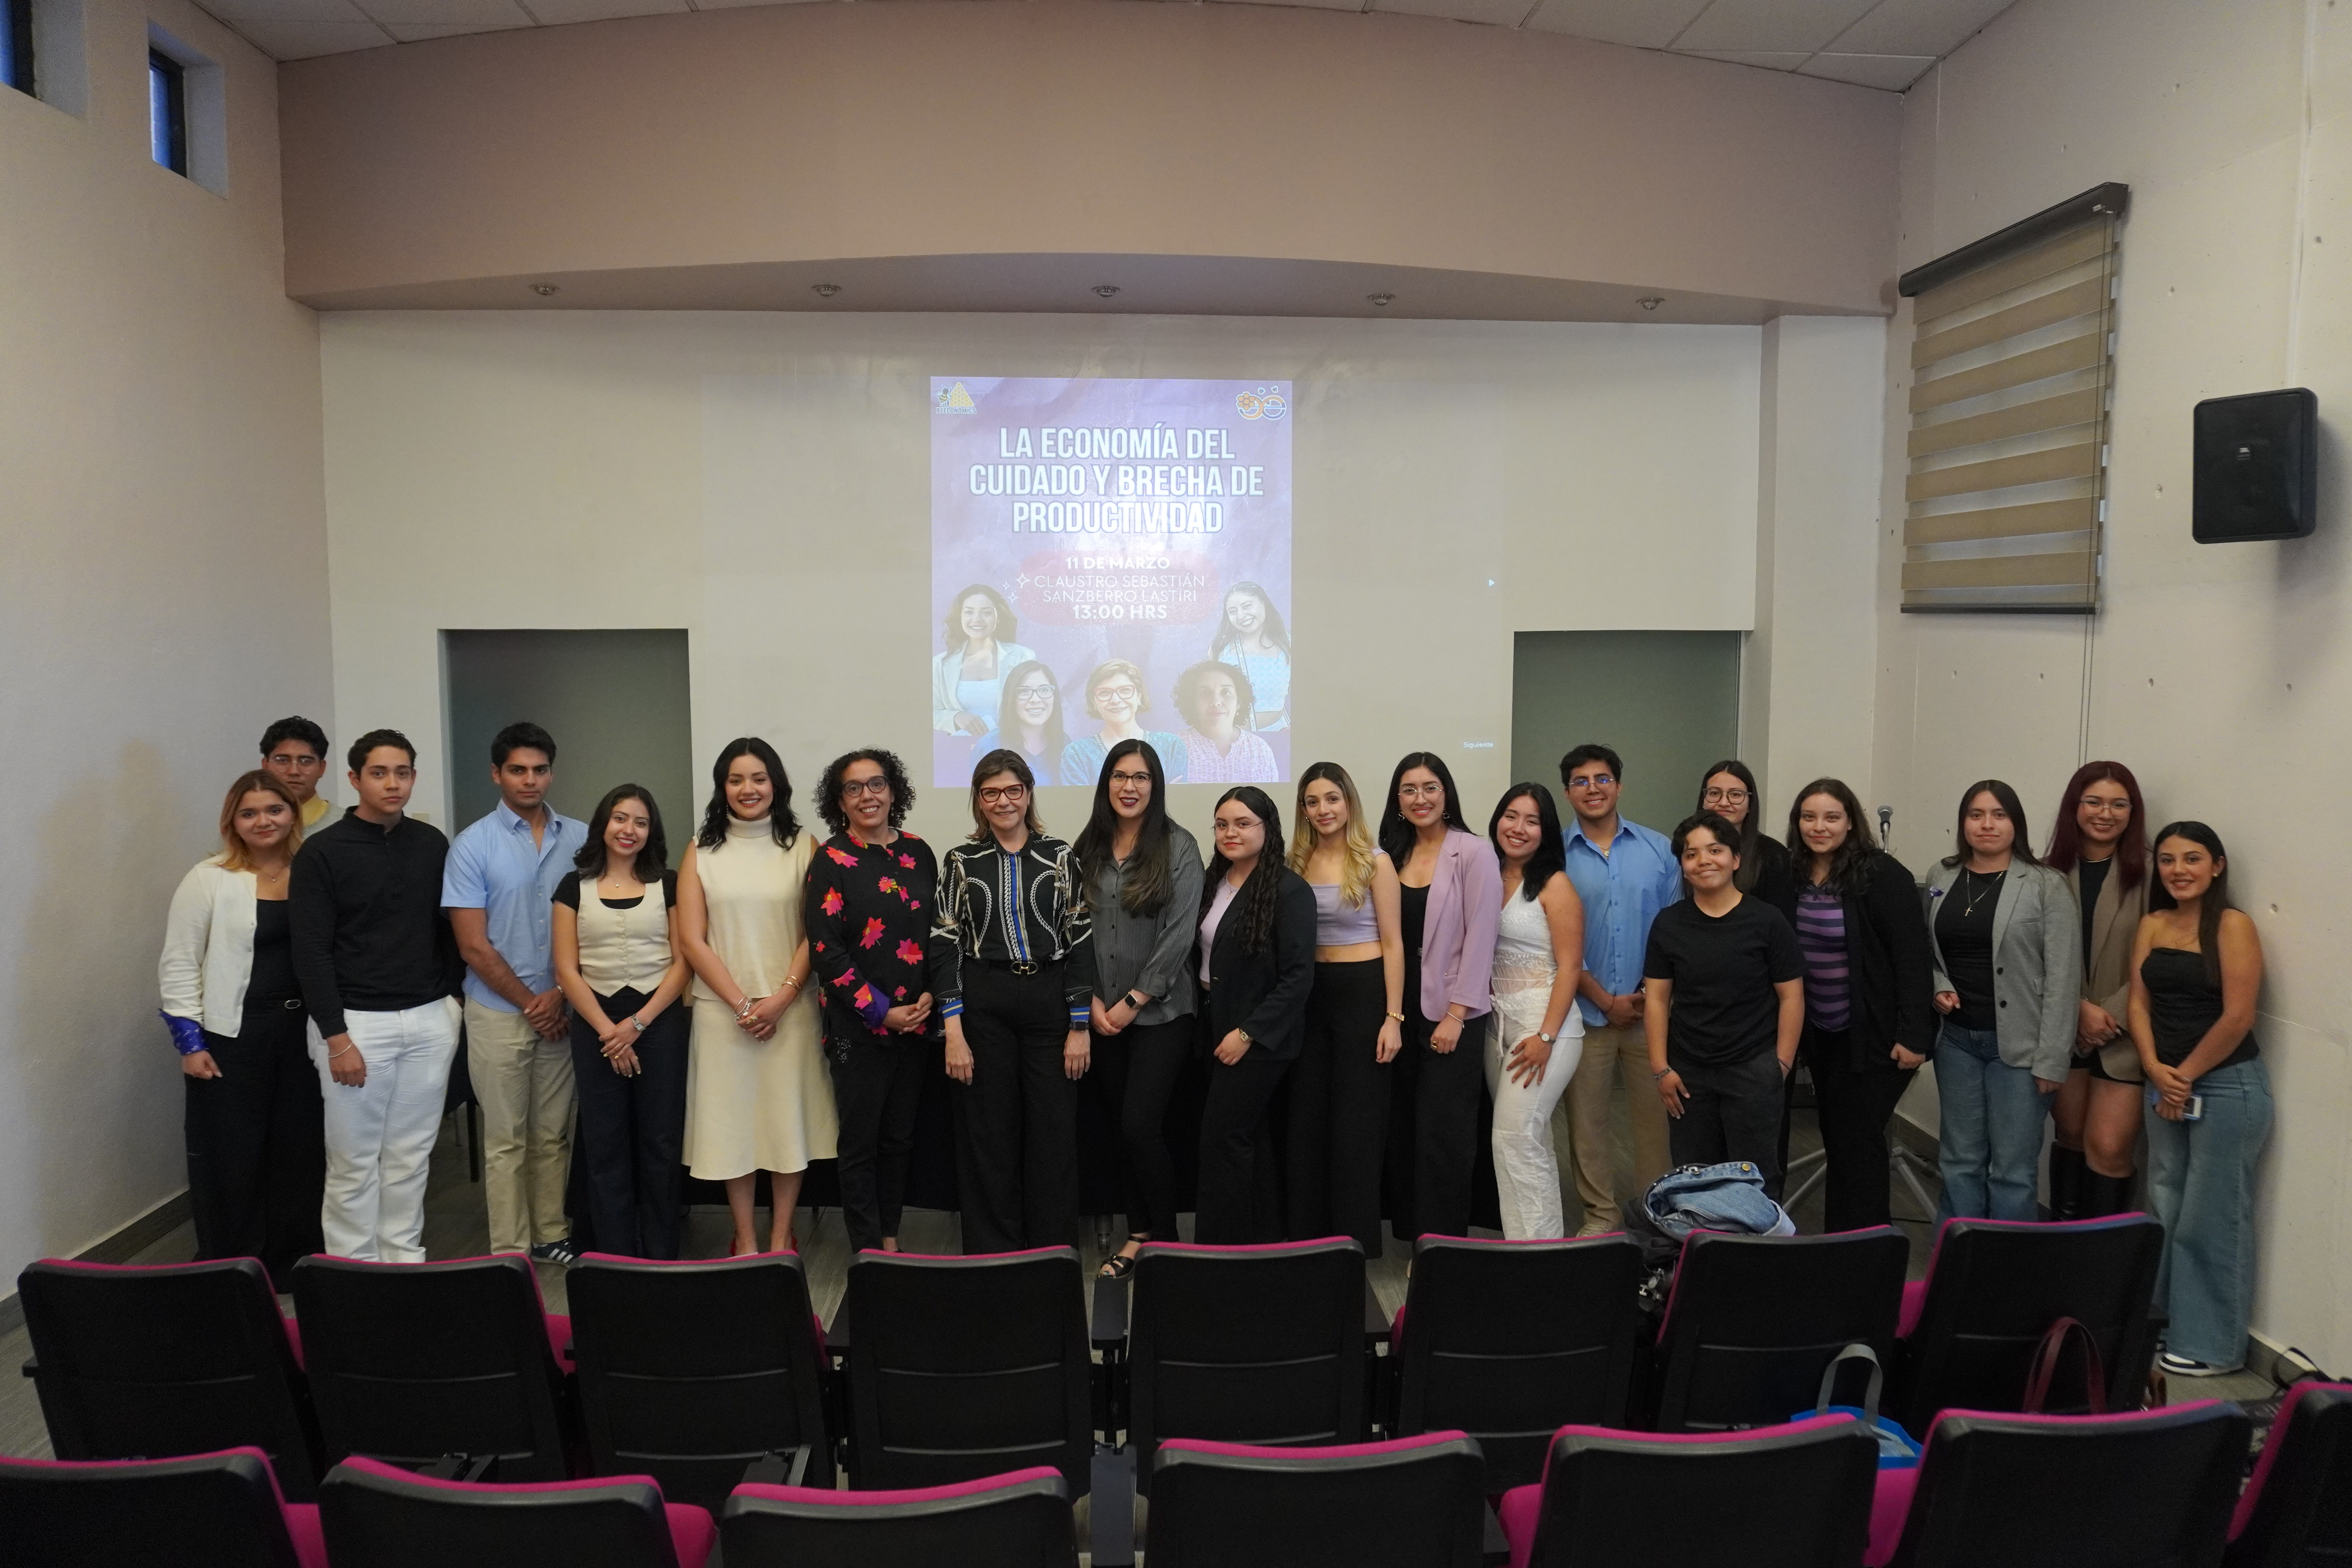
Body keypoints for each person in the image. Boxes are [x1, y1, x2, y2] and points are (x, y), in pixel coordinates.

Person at [289, 729, 465, 1264]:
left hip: (430, 1019)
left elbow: (448, 931)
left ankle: (403, 1263)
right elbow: (311, 951)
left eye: (403, 773)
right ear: (354, 779)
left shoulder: (431, 844)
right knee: (353, 1161)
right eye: (380, 773)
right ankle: (353, 1273)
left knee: (411, 1156)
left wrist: (451, 1003)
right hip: (356, 1026)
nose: (393, 784)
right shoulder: (321, 853)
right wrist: (337, 1038)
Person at [158, 770, 324, 1280]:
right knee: (232, 1155)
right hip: (233, 1038)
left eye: (274, 810)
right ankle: (232, 1267)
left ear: (293, 813)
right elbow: (179, 963)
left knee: (299, 1151)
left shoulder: (315, 872)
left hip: (304, 1037)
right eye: (249, 813)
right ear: (233, 821)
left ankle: (294, 1262)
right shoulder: (208, 877)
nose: (263, 821)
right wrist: (189, 1042)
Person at [931, 750, 1096, 1252]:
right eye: (991, 793)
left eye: (1012, 791)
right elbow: (944, 944)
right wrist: (953, 1031)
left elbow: (1081, 938)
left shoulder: (1060, 855)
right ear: (979, 802)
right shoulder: (961, 861)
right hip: (985, 1000)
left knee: (1052, 1133)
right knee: (989, 1135)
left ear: (1028, 794)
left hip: (1049, 1000)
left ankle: (1051, 1251)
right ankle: (993, 1253)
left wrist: (1080, 1024)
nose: (1003, 801)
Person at [677, 739, 835, 1255]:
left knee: (787, 1125)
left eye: (759, 778)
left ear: (776, 785)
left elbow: (819, 931)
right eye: (737, 779)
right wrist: (743, 1005)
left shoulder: (804, 846)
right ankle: (744, 1237)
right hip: (725, 1017)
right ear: (723, 787)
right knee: (733, 1129)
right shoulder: (701, 850)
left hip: (790, 1012)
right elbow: (692, 940)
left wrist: (783, 996)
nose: (749, 789)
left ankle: (780, 1234)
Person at [442, 722, 590, 1265]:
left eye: (540, 770)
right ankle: (508, 1249)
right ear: (497, 774)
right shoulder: (471, 845)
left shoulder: (579, 838)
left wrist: (558, 996)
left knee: (553, 1133)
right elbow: (472, 946)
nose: (530, 780)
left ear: (552, 772)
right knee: (505, 1138)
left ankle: (552, 1232)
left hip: (563, 1007)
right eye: (518, 770)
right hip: (499, 1011)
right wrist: (534, 1003)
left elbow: (590, 924)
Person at [2127, 822, 2270, 1377]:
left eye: (2192, 859)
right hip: (2163, 1081)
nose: (2179, 870)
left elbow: (2239, 1017)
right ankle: (2166, 1325)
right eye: (2167, 860)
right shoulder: (2153, 923)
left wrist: (2180, 1079)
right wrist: (2153, 1069)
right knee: (2165, 1205)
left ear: (2218, 865)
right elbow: (2138, 1004)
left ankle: (2214, 1346)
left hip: (2225, 1087)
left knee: (2211, 1219)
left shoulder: (2233, 927)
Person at [1769, 779, 1935, 1232]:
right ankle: (1844, 1245)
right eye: (1809, 817)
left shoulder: (1883, 875)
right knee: (1840, 1138)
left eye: (1831, 817)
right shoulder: (1793, 875)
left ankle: (1863, 1251)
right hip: (1823, 1034)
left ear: (1851, 822)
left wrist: (1913, 1034)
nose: (1819, 827)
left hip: (1878, 1036)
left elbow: (1912, 959)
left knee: (1858, 1141)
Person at [1073, 740, 1204, 1276]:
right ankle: (1139, 1234)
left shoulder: (1179, 846)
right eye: (1121, 776)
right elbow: (1075, 929)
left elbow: (1179, 935)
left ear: (1157, 784)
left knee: (1140, 1126)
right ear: (1106, 784)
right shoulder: (1089, 847)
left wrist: (1132, 1000)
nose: (1131, 787)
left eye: (1142, 777)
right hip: (1101, 1013)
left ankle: (1167, 1239)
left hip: (1162, 1014)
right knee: (1119, 1129)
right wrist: (1096, 1000)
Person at [1924, 780, 2080, 1222]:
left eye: (1999, 815)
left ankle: (2010, 1282)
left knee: (2011, 1172)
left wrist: (2052, 1059)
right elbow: (1927, 950)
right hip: (1955, 1044)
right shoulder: (1942, 875)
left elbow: (2064, 978)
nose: (1987, 824)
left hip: (2021, 1050)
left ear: (2016, 823)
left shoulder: (2046, 884)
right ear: (1963, 822)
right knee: (1959, 1163)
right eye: (1976, 814)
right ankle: (1955, 1269)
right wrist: (1937, 983)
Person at [804, 749, 938, 1255]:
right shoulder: (831, 860)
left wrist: (929, 995)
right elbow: (826, 950)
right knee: (860, 1145)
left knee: (900, 1140)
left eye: (876, 784)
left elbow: (938, 933)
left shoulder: (921, 851)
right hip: (858, 1030)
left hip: (917, 1022)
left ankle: (890, 1236)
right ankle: (867, 1250)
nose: (868, 796)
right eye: (854, 788)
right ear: (839, 801)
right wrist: (882, 1011)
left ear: (893, 790)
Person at [552, 784, 690, 1259]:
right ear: (602, 824)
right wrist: (609, 1030)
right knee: (605, 1141)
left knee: (661, 1141)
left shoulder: (669, 883)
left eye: (640, 822)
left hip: (659, 1023)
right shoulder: (573, 886)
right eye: (620, 819)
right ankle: (612, 1257)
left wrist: (639, 1024)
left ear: (652, 831)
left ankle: (660, 1252)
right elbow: (566, 970)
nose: (628, 830)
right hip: (596, 1025)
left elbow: (683, 962)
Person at [1557, 745, 1683, 1234]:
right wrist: (1605, 999)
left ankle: (1656, 1216)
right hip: (1583, 1011)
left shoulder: (1659, 850)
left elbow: (1674, 932)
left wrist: (1644, 997)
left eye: (1603, 778)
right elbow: (1553, 939)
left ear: (1619, 785)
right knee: (1586, 1126)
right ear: (1568, 791)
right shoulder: (1555, 856)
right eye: (1582, 781)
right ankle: (1601, 1216)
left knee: (1656, 1125)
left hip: (1650, 1012)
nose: (1593, 788)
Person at [1379, 752, 1503, 1243]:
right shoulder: (1389, 852)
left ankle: (1444, 1244)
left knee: (1443, 1136)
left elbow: (1482, 937)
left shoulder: (1473, 851)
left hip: (1452, 1013)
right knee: (1405, 1128)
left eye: (1430, 787)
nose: (1420, 798)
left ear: (1446, 793)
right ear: (1398, 800)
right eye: (1409, 789)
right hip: (1397, 1009)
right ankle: (1413, 1233)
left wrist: (1457, 1014)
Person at [1643, 812, 1805, 1177]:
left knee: (1755, 1180)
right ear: (1683, 867)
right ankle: (1699, 1238)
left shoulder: (1768, 921)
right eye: (1691, 854)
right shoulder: (1668, 924)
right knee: (1694, 1178)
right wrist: (1660, 1067)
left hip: (1753, 1069)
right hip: (1687, 1074)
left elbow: (1792, 997)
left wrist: (1780, 1065)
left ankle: (1754, 1239)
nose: (1704, 861)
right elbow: (1656, 1000)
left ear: (1735, 859)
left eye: (1715, 850)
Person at [1285, 762, 1404, 1251]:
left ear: (1349, 802)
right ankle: (1308, 1234)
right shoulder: (1295, 860)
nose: (1322, 810)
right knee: (1307, 1116)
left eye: (1331, 799)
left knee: (1357, 1121)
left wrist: (1393, 1018)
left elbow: (1395, 945)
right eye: (1312, 802)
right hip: (1309, 996)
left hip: (1364, 993)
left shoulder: (1375, 861)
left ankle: (1354, 1239)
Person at [1195, 785, 1317, 1242]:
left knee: (1223, 1139)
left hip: (1257, 1038)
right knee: (1249, 1138)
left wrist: (1247, 1033)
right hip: (1212, 1021)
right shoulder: (1214, 881)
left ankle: (1219, 1249)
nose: (1231, 833)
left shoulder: (1291, 891)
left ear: (1268, 828)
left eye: (1243, 824)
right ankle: (1263, 1240)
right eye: (1223, 824)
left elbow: (1298, 978)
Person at [2044, 762, 2153, 1220]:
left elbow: (2162, 957)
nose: (2105, 813)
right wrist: (2076, 1010)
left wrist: (2103, 1014)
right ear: (2075, 806)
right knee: (2070, 1135)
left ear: (2133, 811)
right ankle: (2063, 1255)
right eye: (2094, 802)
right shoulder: (2046, 872)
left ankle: (2103, 1271)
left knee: (2108, 1148)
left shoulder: (2151, 871)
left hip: (2124, 1031)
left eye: (2118, 803)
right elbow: (2032, 955)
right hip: (2063, 1027)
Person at [1484, 784, 1586, 1239]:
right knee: (1528, 1141)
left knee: (1514, 1139)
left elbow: (1571, 966)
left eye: (1532, 821)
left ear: (1545, 832)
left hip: (1544, 1030)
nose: (1518, 828)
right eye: (1511, 816)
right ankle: (1539, 1246)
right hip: (1495, 1027)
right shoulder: (1486, 872)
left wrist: (1545, 1037)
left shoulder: (1554, 884)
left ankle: (1534, 1255)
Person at [1060, 659, 1188, 786]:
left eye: (1125, 691)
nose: (1116, 700)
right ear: (1094, 702)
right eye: (1105, 693)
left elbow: (1177, 803)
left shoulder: (1172, 747)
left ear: (1139, 696)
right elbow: (1079, 805)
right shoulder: (1077, 754)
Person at [933, 584, 1036, 737]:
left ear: (998, 617)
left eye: (986, 613)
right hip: (960, 753)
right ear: (960, 618)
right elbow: (931, 712)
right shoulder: (940, 664)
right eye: (969, 612)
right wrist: (956, 717)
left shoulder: (1023, 657)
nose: (977, 620)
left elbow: (1033, 705)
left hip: (1011, 752)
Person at [1696, 760, 1794, 908]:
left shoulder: (1774, 856)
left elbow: (1782, 923)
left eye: (1735, 794)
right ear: (1703, 801)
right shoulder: (1687, 849)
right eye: (1715, 793)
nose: (1723, 803)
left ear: (1750, 804)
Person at [1172, 661, 1278, 784]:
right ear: (1193, 702)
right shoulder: (1175, 749)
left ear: (1239, 701)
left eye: (1226, 692)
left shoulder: (1259, 750)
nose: (1216, 702)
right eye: (1205, 694)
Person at [1208, 581, 1291, 731]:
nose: (1241, 616)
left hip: (1279, 734)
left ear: (1264, 605)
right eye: (1233, 611)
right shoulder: (1221, 648)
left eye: (1247, 606)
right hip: (1231, 738)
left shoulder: (1288, 644)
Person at [975, 660, 1067, 782]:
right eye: (1025, 691)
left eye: (1044, 690)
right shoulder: (989, 745)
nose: (1036, 699)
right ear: (1011, 698)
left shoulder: (1065, 744)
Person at [259, 717, 334, 829]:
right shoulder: (245, 828)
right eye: (283, 760)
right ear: (265, 766)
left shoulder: (346, 826)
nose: (294, 771)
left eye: (305, 761)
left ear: (322, 768)